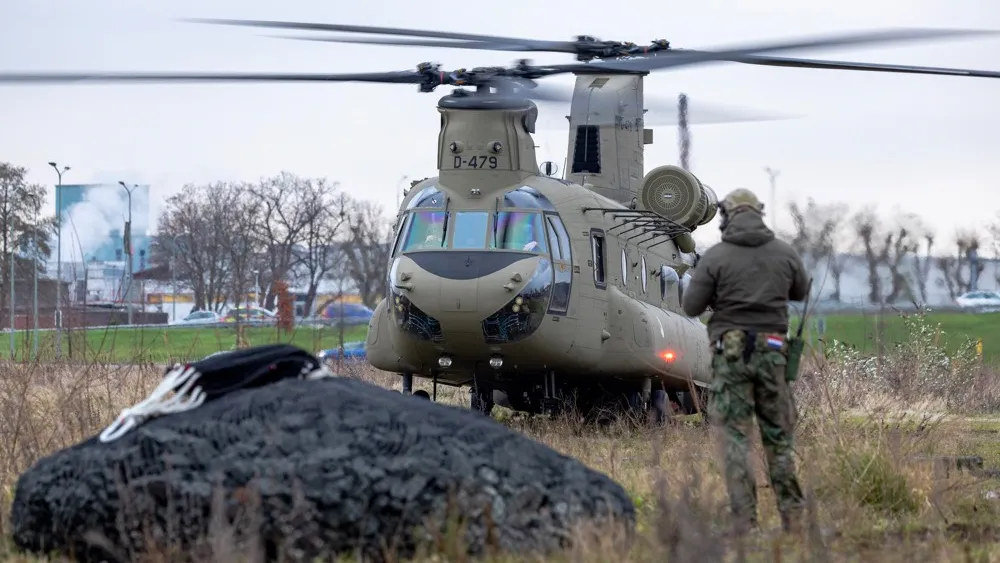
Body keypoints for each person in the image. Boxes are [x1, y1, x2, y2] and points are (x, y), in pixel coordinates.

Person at [680, 187, 810, 535]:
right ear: (758, 213)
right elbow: (800, 292)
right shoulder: (784, 252)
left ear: (728, 216)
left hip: (732, 355)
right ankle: (794, 520)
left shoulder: (717, 257)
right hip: (772, 352)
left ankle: (745, 523)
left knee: (735, 438)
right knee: (778, 437)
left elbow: (690, 307)